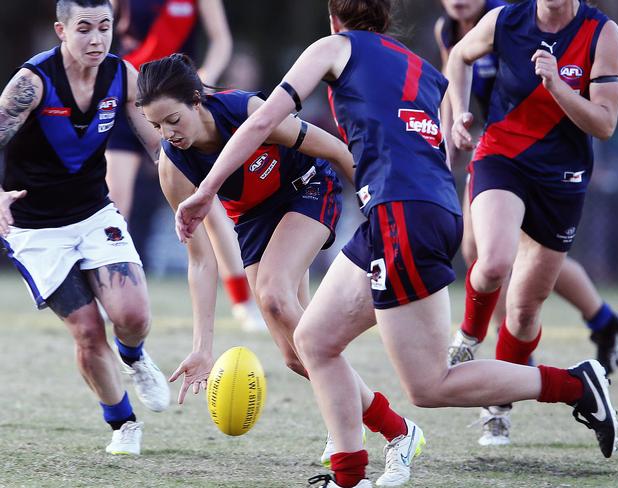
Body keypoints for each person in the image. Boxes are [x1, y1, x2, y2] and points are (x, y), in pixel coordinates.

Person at [173, 1, 618, 486]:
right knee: (314, 340)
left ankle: (575, 385)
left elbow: (260, 123)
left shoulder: (333, 47)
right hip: (424, 209)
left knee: (428, 385)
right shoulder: (418, 65)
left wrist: (205, 191)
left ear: (334, 19)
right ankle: (348, 474)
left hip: (400, 213)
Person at [136, 53, 425, 481]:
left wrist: (377, 211)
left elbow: (334, 148)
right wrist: (202, 345)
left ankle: (389, 436)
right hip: (253, 220)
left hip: (307, 187)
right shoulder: (173, 167)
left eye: (173, 119)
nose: (167, 134)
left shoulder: (246, 112)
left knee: (273, 294)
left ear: (196, 100)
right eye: (156, 126)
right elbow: (203, 260)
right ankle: (391, 427)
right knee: (297, 354)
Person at [436, 0, 618, 445]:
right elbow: (458, 57)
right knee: (492, 262)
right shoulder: (505, 19)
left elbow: (604, 124)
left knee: (524, 310)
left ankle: (497, 406)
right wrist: (459, 114)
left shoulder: (602, 33)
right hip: (501, 157)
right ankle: (468, 335)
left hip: (563, 179)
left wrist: (557, 84)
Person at [0, 0, 170, 455]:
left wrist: (199, 186)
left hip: (95, 212)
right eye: (84, 29)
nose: (96, 40)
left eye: (104, 28)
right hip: (35, 228)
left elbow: (158, 146)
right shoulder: (31, 83)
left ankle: (134, 357)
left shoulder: (123, 75)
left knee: (133, 316)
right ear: (61, 30)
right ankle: (123, 423)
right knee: (88, 331)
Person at [107, 0, 265, 331]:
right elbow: (102, 29)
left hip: (178, 109)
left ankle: (243, 303)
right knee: (115, 204)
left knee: (208, 208)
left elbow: (222, 40)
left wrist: (204, 75)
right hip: (129, 103)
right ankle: (111, 296)